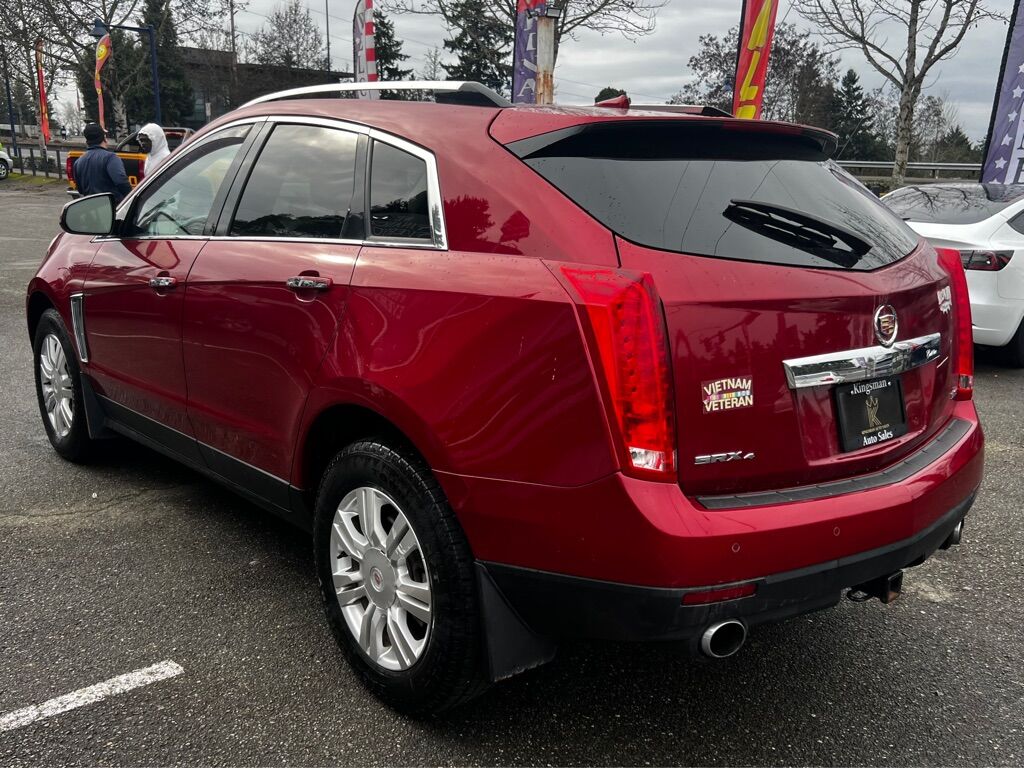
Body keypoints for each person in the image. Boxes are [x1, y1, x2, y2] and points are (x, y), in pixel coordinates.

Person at [74, 123, 131, 203]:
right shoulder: (111, 158)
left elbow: (80, 189)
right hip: (112, 207)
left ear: (87, 140)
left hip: (91, 207)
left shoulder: (78, 162)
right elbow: (121, 181)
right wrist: (131, 197)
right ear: (104, 138)